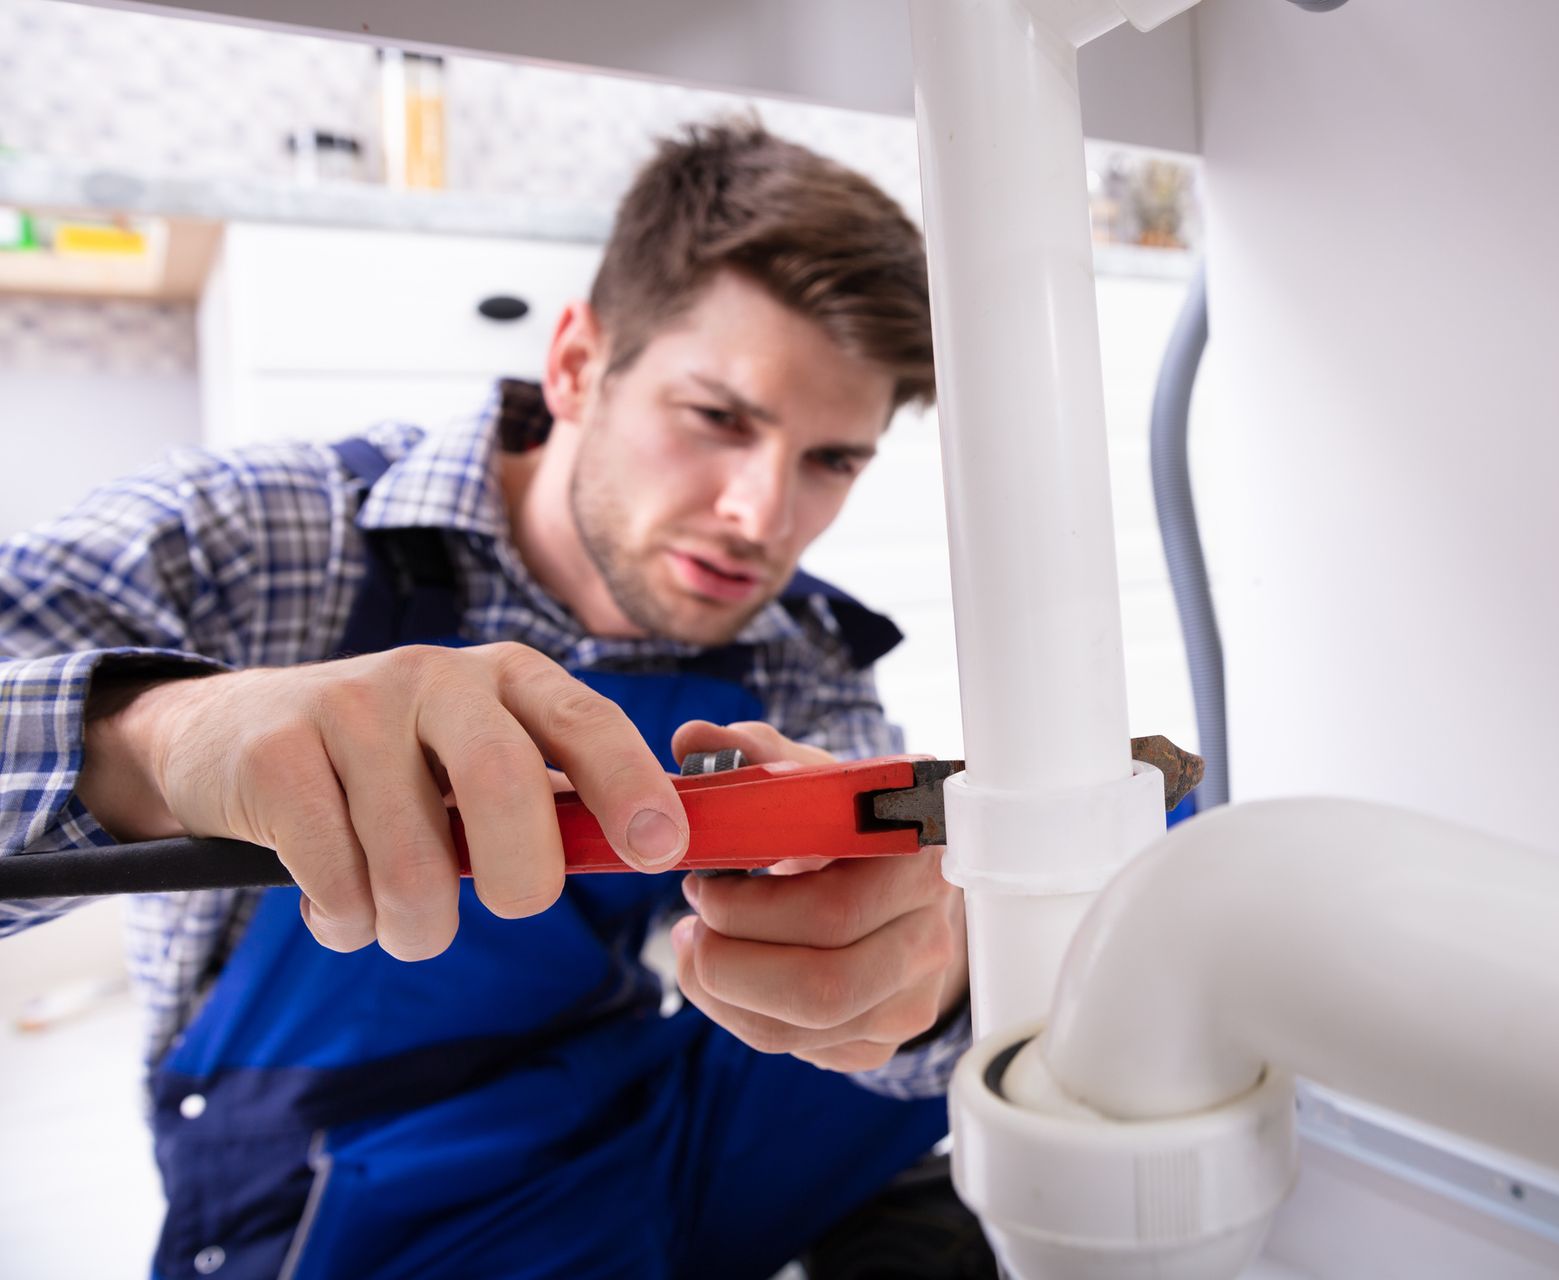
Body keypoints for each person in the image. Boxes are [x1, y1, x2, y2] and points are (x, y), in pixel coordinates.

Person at [0, 118, 973, 1280]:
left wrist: (933, 964)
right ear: (575, 364)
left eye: (832, 460)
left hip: (626, 1111)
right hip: (334, 1185)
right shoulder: (256, 532)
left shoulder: (801, 645)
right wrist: (156, 737)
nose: (762, 517)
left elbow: (909, 981)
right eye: (718, 418)